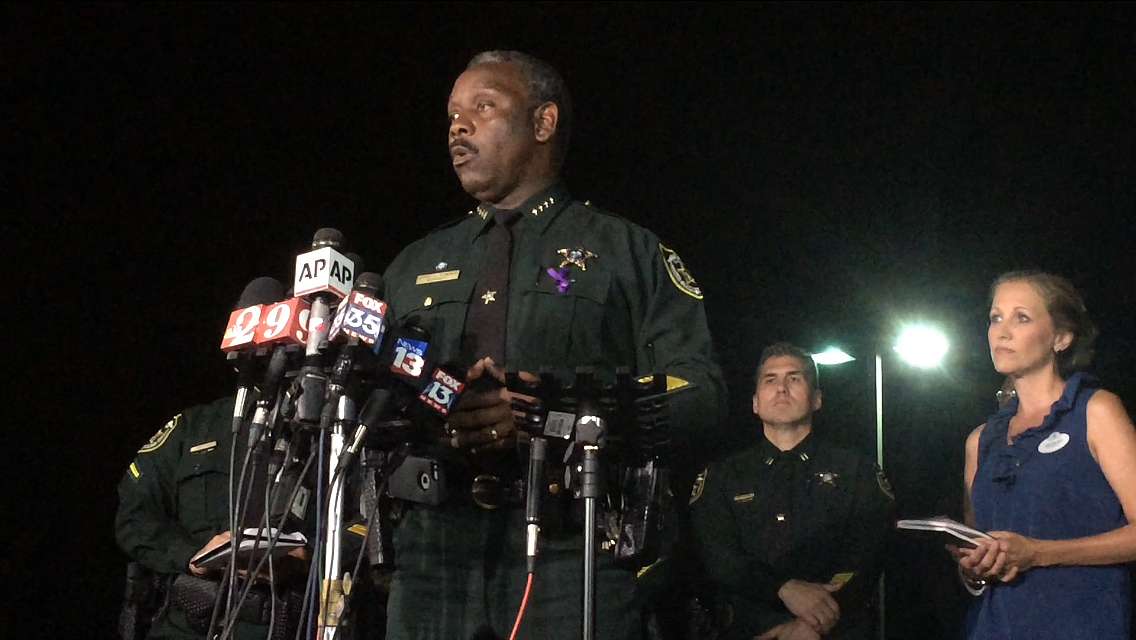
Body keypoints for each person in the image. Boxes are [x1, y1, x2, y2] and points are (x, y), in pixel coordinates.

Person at [379, 50, 727, 639]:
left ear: (543, 123)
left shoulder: (627, 252)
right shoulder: (413, 264)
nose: (458, 127)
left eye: (483, 107)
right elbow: (376, 401)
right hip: (433, 554)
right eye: (452, 115)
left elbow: (701, 393)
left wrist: (560, 415)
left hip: (574, 546)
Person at [951, 271, 1136, 639]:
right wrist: (974, 567)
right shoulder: (981, 440)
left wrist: (1038, 552)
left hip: (1082, 624)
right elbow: (980, 545)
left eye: (1021, 317)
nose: (1002, 332)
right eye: (995, 318)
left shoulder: (1095, 411)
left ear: (1061, 337)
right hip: (995, 627)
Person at [689, 342, 894, 640]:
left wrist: (814, 622)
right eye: (770, 380)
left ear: (817, 399)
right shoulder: (722, 476)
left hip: (837, 630)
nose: (781, 389)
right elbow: (719, 558)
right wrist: (781, 593)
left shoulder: (857, 471)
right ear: (755, 402)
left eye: (794, 378)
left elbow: (869, 552)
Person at [115, 396, 308, 640]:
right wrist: (190, 556)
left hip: (286, 622)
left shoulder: (335, 428)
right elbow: (133, 516)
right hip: (191, 623)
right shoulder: (195, 426)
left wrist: (309, 558)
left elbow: (362, 527)